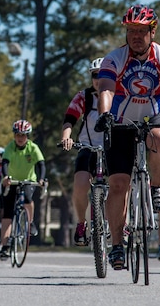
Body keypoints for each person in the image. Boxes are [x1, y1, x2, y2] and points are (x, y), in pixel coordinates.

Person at [93, 4, 160, 270]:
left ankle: (156, 187)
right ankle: (118, 245)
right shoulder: (113, 59)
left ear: (152, 32)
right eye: (131, 30)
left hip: (151, 119)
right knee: (119, 184)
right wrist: (105, 115)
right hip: (121, 122)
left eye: (141, 31)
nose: (135, 36)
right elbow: (106, 90)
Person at [60, 57, 104, 247]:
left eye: (103, 75)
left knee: (123, 184)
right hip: (88, 147)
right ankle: (81, 224)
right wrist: (66, 137)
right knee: (79, 186)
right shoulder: (83, 97)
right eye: (95, 75)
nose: (99, 79)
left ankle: (123, 223)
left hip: (112, 149)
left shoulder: (119, 96)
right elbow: (69, 119)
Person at [0, 120, 46, 259]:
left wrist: (41, 179)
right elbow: (5, 163)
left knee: (28, 199)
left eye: (23, 135)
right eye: (18, 135)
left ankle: (30, 223)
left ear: (28, 136)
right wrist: (6, 177)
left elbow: (41, 164)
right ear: (14, 135)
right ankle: (5, 246)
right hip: (11, 181)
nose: (20, 138)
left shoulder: (33, 148)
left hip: (28, 180)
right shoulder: (10, 147)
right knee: (7, 213)